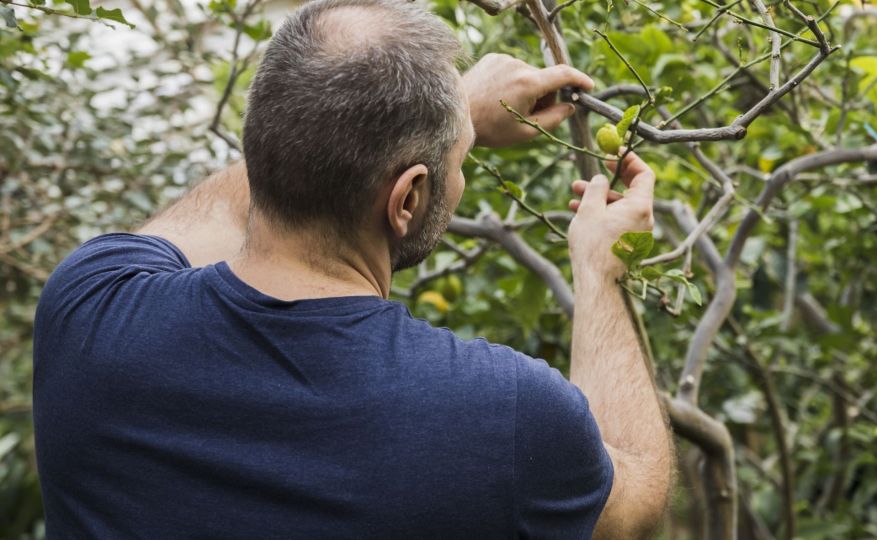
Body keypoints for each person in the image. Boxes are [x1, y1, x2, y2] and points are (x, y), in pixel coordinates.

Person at [31, 0, 673, 538]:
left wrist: (450, 111)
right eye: (460, 162)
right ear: (407, 200)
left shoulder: (89, 310)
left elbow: (226, 201)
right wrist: (602, 271)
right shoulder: (508, 416)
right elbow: (638, 494)